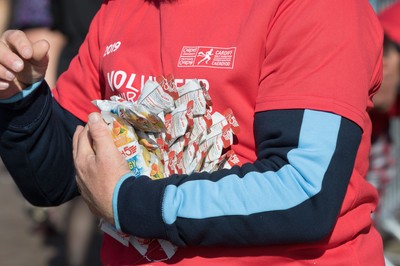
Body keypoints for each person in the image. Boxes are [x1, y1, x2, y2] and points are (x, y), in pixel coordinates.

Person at [0, 0, 386, 265]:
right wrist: (22, 101)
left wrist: (128, 202)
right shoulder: (122, 9)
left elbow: (304, 190)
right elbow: (54, 179)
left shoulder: (316, 7)